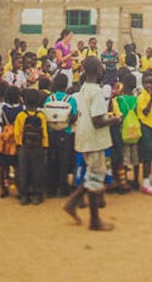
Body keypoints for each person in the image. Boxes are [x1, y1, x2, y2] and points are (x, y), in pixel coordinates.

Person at [63, 57, 121, 231]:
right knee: (95, 178)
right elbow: (97, 120)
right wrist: (114, 120)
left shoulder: (84, 87)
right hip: (94, 140)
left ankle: (72, 203)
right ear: (99, 70)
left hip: (84, 136)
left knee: (91, 174)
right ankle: (95, 221)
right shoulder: (96, 91)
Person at [45, 73, 78, 197]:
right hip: (66, 132)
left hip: (51, 132)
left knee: (52, 160)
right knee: (64, 161)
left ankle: (51, 189)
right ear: (66, 85)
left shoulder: (49, 98)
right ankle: (63, 188)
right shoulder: (71, 100)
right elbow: (74, 116)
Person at [15, 88, 49, 204]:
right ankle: (36, 194)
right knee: (37, 170)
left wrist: (19, 145)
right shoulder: (41, 116)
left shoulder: (21, 116)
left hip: (24, 147)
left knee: (24, 170)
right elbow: (44, 133)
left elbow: (17, 133)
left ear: (24, 101)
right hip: (38, 147)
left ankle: (24, 195)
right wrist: (45, 146)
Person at [112, 73, 141, 190]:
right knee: (136, 158)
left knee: (123, 159)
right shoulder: (136, 100)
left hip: (123, 132)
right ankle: (136, 180)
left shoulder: (119, 99)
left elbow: (119, 115)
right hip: (135, 132)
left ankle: (123, 181)